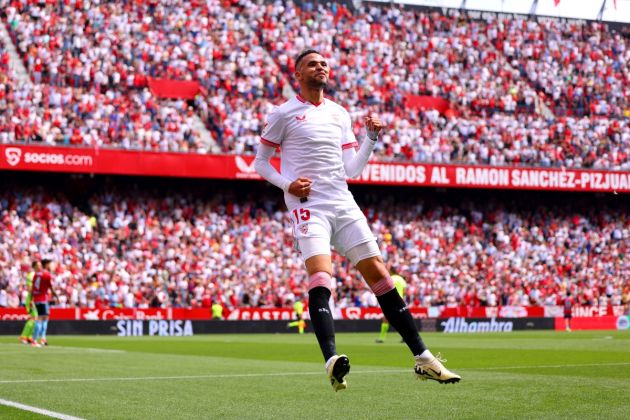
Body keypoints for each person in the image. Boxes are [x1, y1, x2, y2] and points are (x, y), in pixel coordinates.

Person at [255, 49, 460, 391]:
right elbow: (260, 162)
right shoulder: (283, 114)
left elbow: (351, 169)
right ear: (298, 74)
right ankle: (332, 359)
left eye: (324, 62)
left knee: (380, 274)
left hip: (343, 202)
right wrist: (286, 183)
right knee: (322, 276)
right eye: (312, 63)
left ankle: (424, 359)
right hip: (309, 206)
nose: (320, 66)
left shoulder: (339, 113)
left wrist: (371, 139)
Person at [30, 258, 59, 347]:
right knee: (41, 319)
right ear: (46, 265)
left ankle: (42, 339)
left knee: (43, 318)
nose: (52, 266)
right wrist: (56, 296)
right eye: (50, 264)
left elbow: (33, 288)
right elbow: (51, 287)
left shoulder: (35, 275)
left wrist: (32, 298)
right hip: (43, 298)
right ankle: (35, 340)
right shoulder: (46, 274)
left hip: (37, 298)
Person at [376, 267, 407, 343]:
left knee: (385, 319)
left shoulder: (389, 278)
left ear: (390, 271)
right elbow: (404, 291)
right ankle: (405, 337)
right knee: (401, 320)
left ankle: (381, 338)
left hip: (390, 300)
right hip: (400, 301)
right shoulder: (401, 279)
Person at [19, 260, 40, 345]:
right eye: (38, 265)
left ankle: (29, 337)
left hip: (37, 299)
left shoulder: (38, 275)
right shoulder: (31, 275)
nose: (40, 267)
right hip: (32, 298)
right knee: (33, 318)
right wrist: (32, 299)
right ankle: (23, 337)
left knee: (36, 319)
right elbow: (29, 288)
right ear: (34, 266)